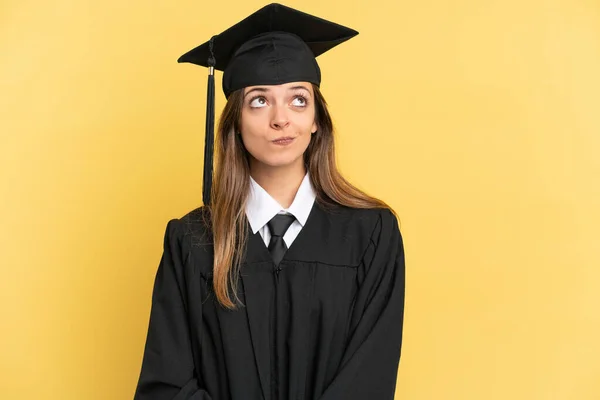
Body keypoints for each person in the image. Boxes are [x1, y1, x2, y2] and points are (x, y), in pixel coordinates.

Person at [133, 3, 406, 400]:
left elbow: (370, 378)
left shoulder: (370, 235)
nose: (281, 119)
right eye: (259, 101)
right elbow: (167, 386)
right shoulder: (192, 241)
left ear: (316, 120)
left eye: (298, 100)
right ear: (235, 123)